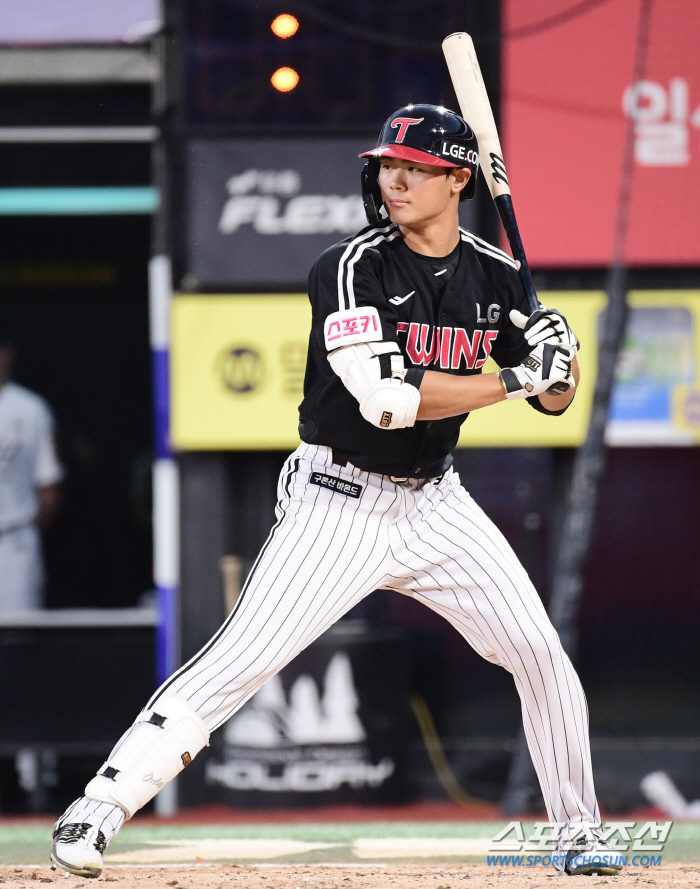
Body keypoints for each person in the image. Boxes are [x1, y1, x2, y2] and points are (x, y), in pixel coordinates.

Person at [51, 105, 622, 878]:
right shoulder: (350, 266)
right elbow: (388, 400)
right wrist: (518, 378)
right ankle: (100, 805)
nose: (393, 178)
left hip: (434, 503)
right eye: (388, 164)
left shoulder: (496, 273)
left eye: (414, 168)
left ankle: (578, 830)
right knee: (239, 659)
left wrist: (561, 362)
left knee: (539, 652)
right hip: (337, 498)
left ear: (459, 179)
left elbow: (556, 399)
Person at [0, 318, 62, 610]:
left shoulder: (30, 409)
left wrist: (26, 534)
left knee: (17, 643)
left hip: (14, 546)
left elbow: (48, 488)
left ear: (7, 353)